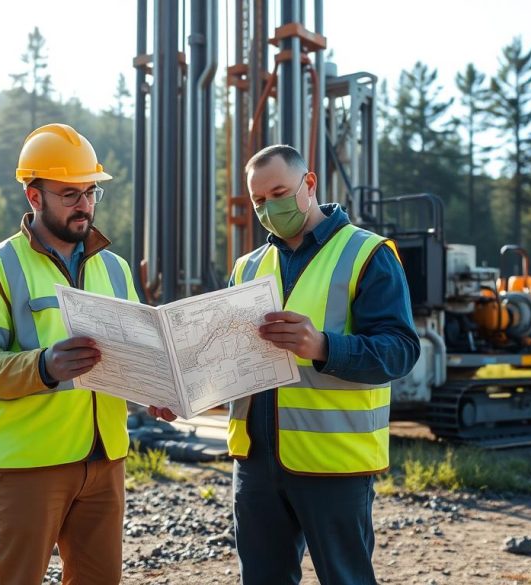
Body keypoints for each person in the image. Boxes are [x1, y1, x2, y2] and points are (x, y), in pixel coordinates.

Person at [155, 144, 419, 584]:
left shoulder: (367, 254)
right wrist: (186, 394)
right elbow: (229, 361)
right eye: (258, 201)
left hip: (334, 463)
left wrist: (323, 346)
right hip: (256, 464)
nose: (268, 208)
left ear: (309, 184)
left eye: (278, 192)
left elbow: (400, 351)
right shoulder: (246, 268)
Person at [0, 123, 138, 585]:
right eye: (69, 194)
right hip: (29, 464)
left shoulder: (115, 268)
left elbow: (136, 351)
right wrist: (44, 366)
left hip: (106, 458)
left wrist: (157, 389)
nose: (85, 205)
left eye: (91, 192)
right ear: (33, 197)